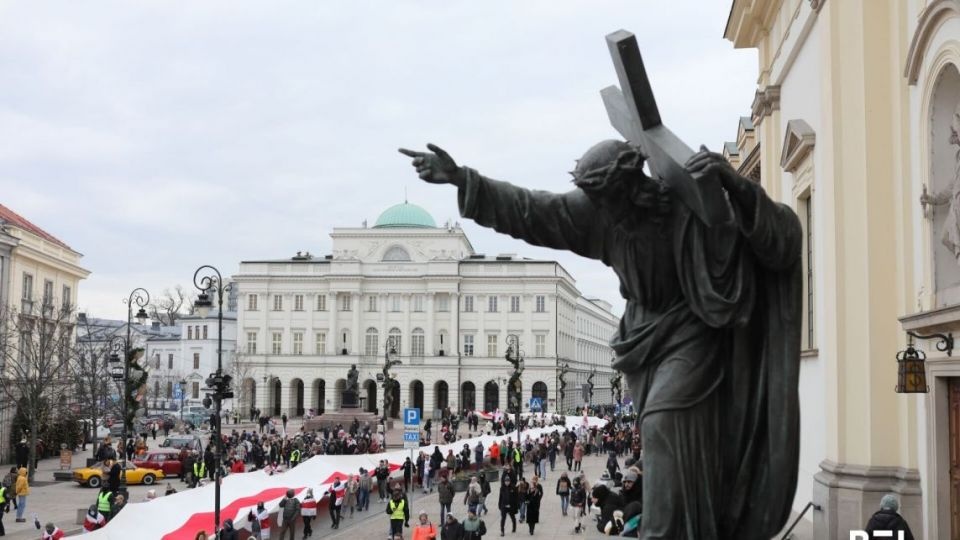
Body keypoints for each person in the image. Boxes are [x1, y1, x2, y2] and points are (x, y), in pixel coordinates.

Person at [400, 138, 804, 539]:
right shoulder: (598, 213)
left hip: (691, 329)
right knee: (667, 433)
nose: (602, 208)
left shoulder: (686, 205)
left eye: (609, 198)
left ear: (632, 184)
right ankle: (693, 521)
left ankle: (666, 531)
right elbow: (530, 210)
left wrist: (735, 185)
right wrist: (461, 178)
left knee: (666, 421)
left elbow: (780, 237)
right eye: (595, 199)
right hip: (645, 338)